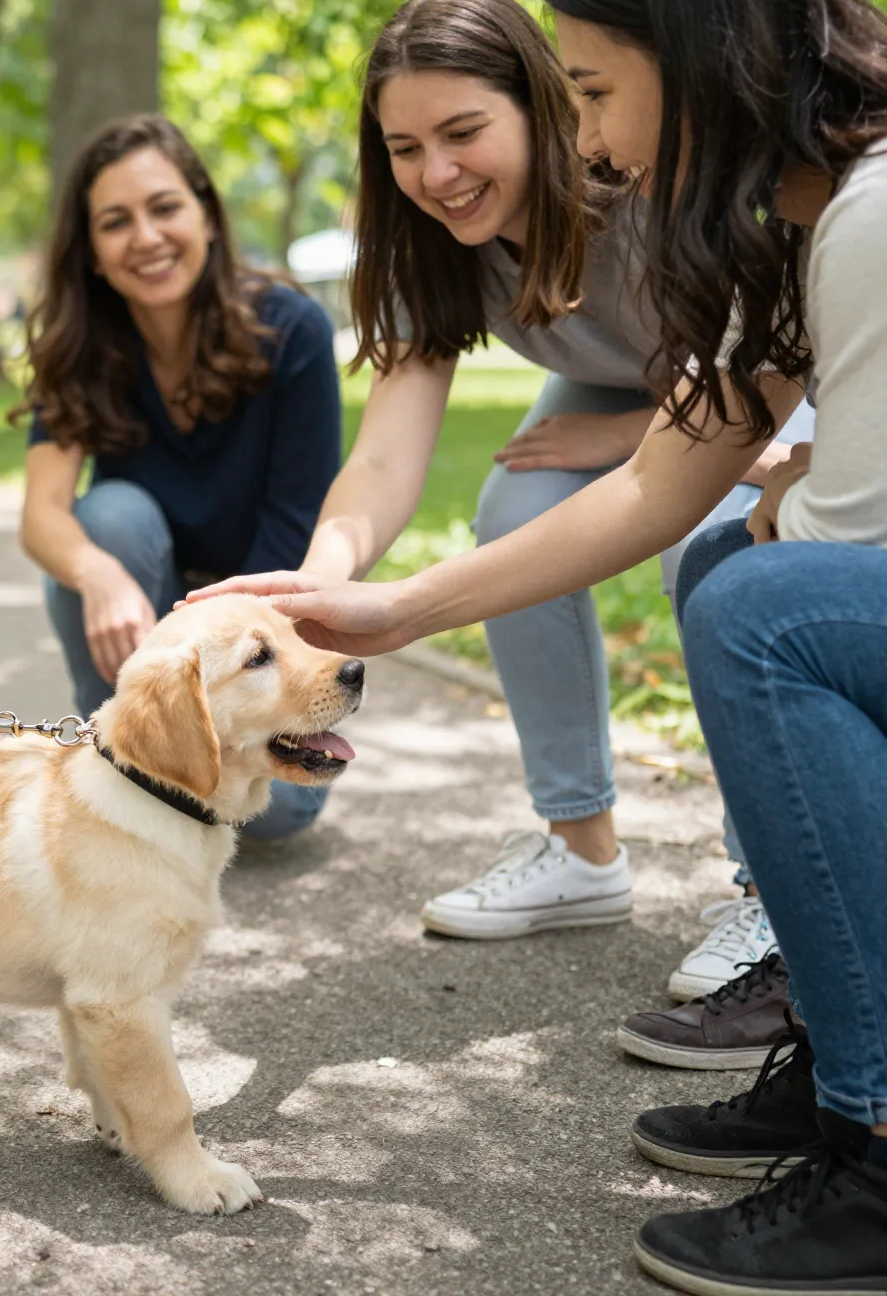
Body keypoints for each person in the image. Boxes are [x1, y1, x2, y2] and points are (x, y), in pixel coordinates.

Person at [196, 0, 887, 1287]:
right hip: (696, 419)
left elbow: (779, 476)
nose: (588, 136)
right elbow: (577, 470)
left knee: (746, 591)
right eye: (405, 148)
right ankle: (635, 883)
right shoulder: (735, 221)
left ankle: (829, 1026)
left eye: (586, 96)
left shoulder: (809, 214)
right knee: (627, 531)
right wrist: (355, 593)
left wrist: (714, 457)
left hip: (766, 442)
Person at [300, 0, 807, 1004]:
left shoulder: (644, 184)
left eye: (462, 133)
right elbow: (386, 460)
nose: (435, 174)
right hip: (640, 392)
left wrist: (620, 439)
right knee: (512, 510)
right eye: (405, 147)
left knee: (710, 548)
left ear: (541, 107)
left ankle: (770, 889)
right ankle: (581, 851)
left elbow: (749, 396)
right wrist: (314, 595)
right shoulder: (435, 241)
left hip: (765, 393)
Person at [17, 115, 344, 840]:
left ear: (205, 215)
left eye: (165, 207)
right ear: (93, 253)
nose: (146, 236)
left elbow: (294, 545)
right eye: (115, 222)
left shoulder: (291, 332)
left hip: (257, 639)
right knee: (106, 519)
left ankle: (159, 767)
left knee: (272, 814)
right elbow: (42, 514)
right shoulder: (81, 350)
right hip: (144, 625)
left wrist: (223, 667)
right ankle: (111, 744)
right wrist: (99, 575)